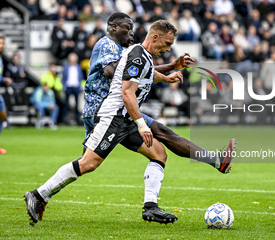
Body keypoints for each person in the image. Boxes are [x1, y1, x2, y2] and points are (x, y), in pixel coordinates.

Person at [24, 14, 236, 224]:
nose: (169, 48)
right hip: (112, 114)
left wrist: (168, 72)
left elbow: (142, 72)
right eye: (167, 43)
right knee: (88, 163)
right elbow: (125, 89)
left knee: (159, 152)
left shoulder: (139, 54)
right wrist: (141, 124)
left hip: (124, 115)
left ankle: (151, 206)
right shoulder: (125, 50)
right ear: (154, 37)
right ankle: (39, 194)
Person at [61, 53, 84, 125]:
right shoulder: (66, 67)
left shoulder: (78, 67)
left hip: (76, 87)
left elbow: (81, 77)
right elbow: (63, 77)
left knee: (77, 105)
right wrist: (64, 86)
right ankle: (64, 120)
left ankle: (77, 120)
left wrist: (80, 86)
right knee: (66, 105)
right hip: (68, 87)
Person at [0, 36, 12, 154]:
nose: (1, 45)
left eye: (2, 43)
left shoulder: (1, 59)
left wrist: (4, 80)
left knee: (2, 117)